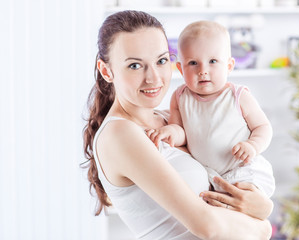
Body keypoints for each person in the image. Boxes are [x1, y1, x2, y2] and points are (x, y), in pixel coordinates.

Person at [83, 10, 272, 240]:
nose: (153, 78)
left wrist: (262, 207)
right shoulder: (119, 134)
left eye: (161, 61)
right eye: (134, 65)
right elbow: (208, 226)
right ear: (107, 71)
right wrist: (264, 226)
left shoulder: (171, 121)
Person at [147, 20, 275, 198]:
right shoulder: (180, 97)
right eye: (193, 63)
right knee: (215, 207)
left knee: (244, 201)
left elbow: (263, 127)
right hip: (209, 175)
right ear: (180, 69)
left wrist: (252, 146)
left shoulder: (238, 96)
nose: (203, 70)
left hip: (242, 168)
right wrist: (170, 132)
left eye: (213, 61)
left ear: (229, 66)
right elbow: (182, 132)